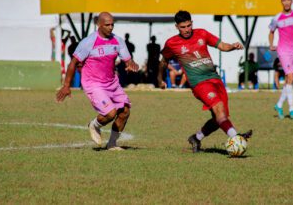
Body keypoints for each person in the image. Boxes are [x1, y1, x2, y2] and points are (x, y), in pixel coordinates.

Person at [158, 10, 252, 153]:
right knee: (219, 109)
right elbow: (163, 61)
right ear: (177, 27)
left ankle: (196, 138)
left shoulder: (202, 33)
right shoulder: (172, 43)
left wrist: (233, 46)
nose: (187, 30)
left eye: (189, 26)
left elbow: (222, 45)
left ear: (192, 23)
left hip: (215, 79)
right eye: (183, 27)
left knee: (219, 118)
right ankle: (236, 137)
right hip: (199, 84)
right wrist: (160, 79)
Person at [56, 12, 139, 151]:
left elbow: (127, 60)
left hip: (112, 83)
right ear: (99, 25)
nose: (111, 27)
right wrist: (66, 86)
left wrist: (131, 64)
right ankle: (94, 125)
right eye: (107, 25)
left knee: (125, 111)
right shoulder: (88, 42)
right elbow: (73, 63)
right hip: (94, 83)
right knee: (110, 113)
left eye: (112, 24)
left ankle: (112, 144)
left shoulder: (118, 41)